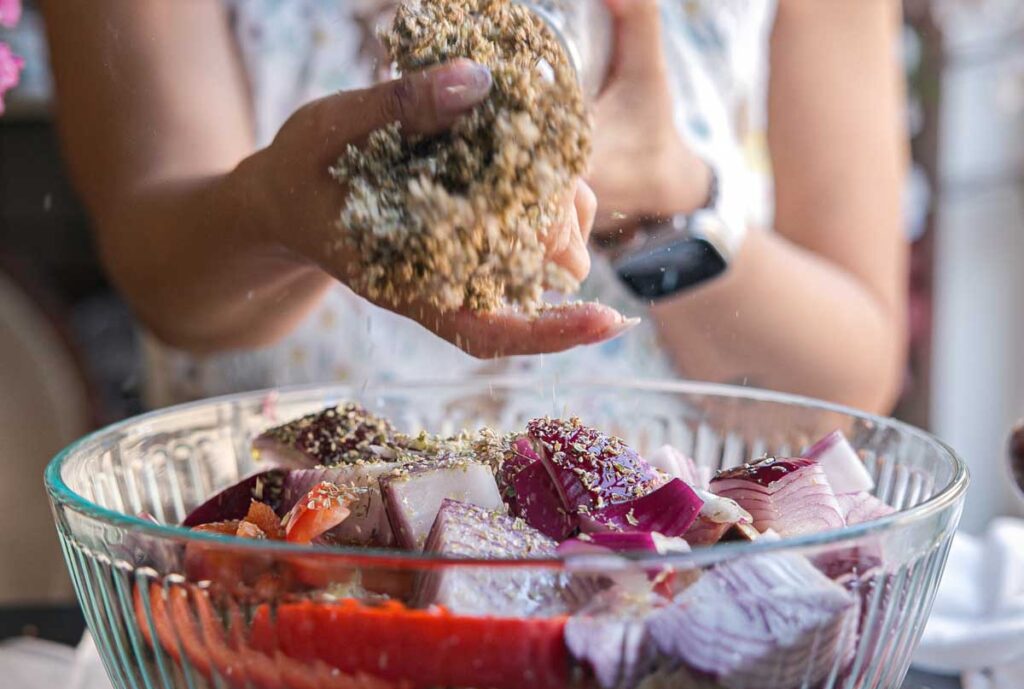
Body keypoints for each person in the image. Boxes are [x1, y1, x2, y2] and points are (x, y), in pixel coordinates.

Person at [41, 0, 908, 413]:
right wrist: (278, 212)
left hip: (672, 618)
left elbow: (845, 380)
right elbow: (165, 279)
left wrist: (666, 209)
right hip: (286, 600)